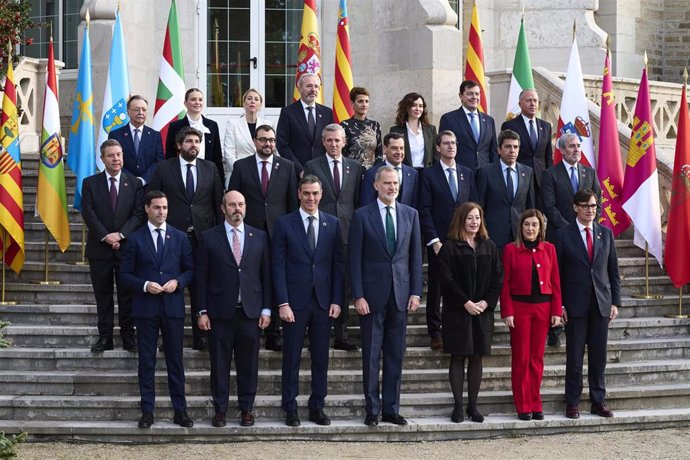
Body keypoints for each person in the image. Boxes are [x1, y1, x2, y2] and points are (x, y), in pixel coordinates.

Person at [349, 166, 423, 426]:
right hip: (371, 296)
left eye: (395, 183)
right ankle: (372, 409)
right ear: (376, 186)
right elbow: (354, 259)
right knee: (371, 355)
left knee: (395, 354)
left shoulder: (410, 214)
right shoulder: (361, 216)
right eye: (387, 183)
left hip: (401, 295)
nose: (392, 187)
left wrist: (416, 291)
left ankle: (391, 408)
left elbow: (415, 257)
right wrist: (357, 295)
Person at [272, 175, 345, 427]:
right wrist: (282, 302)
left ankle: (317, 406)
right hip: (294, 303)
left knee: (321, 358)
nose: (311, 198)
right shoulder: (284, 224)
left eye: (315, 193)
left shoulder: (333, 224)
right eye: (306, 193)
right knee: (291, 357)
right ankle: (290, 407)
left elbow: (338, 265)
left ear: (321, 194)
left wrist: (337, 300)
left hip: (323, 303)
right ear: (299, 195)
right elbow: (277, 267)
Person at [195, 190, 272, 428]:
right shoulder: (209, 237)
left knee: (248, 365)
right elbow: (201, 278)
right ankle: (220, 410)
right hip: (219, 313)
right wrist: (201, 311)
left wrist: (267, 309)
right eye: (232, 205)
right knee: (219, 364)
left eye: (240, 204)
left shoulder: (259, 236)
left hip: (250, 312)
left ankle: (246, 409)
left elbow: (266, 276)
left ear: (246, 207)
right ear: (223, 208)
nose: (236, 209)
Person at [119, 190, 195, 429]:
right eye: (157, 208)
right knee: (147, 362)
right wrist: (144, 285)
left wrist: (178, 282)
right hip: (146, 308)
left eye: (164, 207)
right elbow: (124, 275)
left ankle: (180, 411)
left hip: (172, 308)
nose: (161, 212)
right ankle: (147, 411)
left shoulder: (180, 237)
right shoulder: (135, 238)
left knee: (175, 361)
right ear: (147, 209)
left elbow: (190, 270)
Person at [148, 127, 224, 351]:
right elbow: (152, 197)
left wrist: (219, 235)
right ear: (179, 145)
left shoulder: (210, 168)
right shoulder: (164, 168)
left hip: (204, 237)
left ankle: (202, 335)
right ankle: (171, 337)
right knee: (172, 287)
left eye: (197, 141)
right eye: (189, 141)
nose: (194, 145)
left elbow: (217, 202)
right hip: (173, 236)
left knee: (202, 286)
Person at [228, 124, 299, 352]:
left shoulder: (287, 167)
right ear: (255, 141)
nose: (267, 144)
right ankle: (253, 327)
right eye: (262, 140)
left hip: (279, 233)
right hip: (249, 234)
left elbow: (291, 204)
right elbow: (233, 198)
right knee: (252, 279)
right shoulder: (241, 166)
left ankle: (274, 331)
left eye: (271, 140)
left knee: (276, 279)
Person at [555, 189, 620, 420]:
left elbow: (613, 271)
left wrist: (615, 302)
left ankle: (598, 401)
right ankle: (572, 402)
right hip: (575, 306)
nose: (590, 210)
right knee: (574, 357)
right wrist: (559, 305)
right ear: (575, 207)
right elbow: (557, 274)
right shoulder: (563, 235)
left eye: (593, 206)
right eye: (585, 206)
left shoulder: (606, 234)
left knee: (598, 357)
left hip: (601, 305)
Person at [437, 202, 502, 423]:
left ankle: (473, 406)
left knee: (476, 358)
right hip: (458, 311)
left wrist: (486, 302)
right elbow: (446, 280)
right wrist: (465, 302)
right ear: (461, 220)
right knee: (458, 356)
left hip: (482, 312)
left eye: (477, 218)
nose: (474, 222)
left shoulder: (489, 246)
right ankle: (457, 406)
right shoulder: (450, 247)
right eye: (470, 218)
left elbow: (497, 278)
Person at [81, 139, 144, 353]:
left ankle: (128, 336)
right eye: (111, 155)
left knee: (128, 295)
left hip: (126, 249)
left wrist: (121, 234)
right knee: (103, 295)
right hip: (100, 250)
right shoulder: (90, 183)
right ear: (102, 159)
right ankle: (105, 337)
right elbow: (88, 213)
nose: (116, 159)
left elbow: (138, 214)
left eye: (119, 154)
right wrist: (106, 236)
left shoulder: (134, 183)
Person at [303, 124, 362, 351]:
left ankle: (342, 334)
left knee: (342, 282)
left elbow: (356, 202)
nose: (333, 144)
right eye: (329, 140)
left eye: (337, 140)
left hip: (346, 233)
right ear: (323, 142)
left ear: (344, 141)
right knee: (317, 282)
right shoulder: (312, 166)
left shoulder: (355, 168)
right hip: (319, 233)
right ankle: (316, 334)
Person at [541, 132, 601, 347]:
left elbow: (598, 204)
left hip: (586, 238)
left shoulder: (590, 173)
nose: (577, 150)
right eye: (572, 146)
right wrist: (571, 229)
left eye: (578, 146)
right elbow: (549, 206)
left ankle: (577, 324)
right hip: (559, 236)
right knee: (557, 279)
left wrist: (585, 227)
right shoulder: (550, 174)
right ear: (562, 150)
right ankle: (554, 327)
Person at [500, 209, 562, 421]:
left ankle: (536, 402)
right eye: (527, 224)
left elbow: (555, 282)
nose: (530, 229)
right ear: (521, 227)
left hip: (543, 309)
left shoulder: (549, 249)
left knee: (537, 359)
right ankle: (523, 404)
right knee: (521, 358)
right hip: (519, 309)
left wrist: (556, 311)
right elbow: (505, 283)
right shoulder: (510, 249)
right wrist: (507, 311)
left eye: (534, 225)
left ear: (541, 228)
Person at [419, 130, 475, 350]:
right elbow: (424, 209)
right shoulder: (429, 174)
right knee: (436, 286)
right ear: (438, 148)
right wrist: (433, 239)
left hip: (463, 239)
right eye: (446, 143)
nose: (451, 147)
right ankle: (435, 330)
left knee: (462, 285)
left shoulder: (467, 173)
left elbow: (473, 206)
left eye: (454, 143)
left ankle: (458, 328)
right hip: (439, 241)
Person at [475, 129, 535, 252]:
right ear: (499, 149)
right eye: (508, 146)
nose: (512, 150)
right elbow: (479, 207)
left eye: (515, 147)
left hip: (520, 237)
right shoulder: (485, 172)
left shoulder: (527, 172)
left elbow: (530, 207)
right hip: (494, 238)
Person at [500, 89, 553, 207]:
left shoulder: (546, 126)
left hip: (541, 181)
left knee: (538, 218)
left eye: (535, 101)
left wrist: (549, 179)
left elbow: (548, 156)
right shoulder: (510, 125)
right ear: (520, 104)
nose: (533, 104)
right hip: (520, 179)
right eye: (528, 100)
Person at [276, 73, 334, 176]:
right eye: (309, 86)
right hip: (296, 172)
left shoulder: (327, 113)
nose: (313, 89)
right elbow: (282, 145)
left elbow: (331, 142)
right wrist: (299, 170)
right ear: (299, 88)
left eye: (316, 86)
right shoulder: (288, 112)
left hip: (322, 172)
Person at [165, 88, 225, 185]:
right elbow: (170, 154)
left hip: (207, 176)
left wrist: (221, 182)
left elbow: (217, 155)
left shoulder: (212, 125)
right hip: (183, 175)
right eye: (193, 99)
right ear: (185, 103)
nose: (197, 102)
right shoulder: (175, 126)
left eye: (200, 100)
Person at [439, 80, 498, 171]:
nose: (474, 97)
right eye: (470, 94)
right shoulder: (449, 119)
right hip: (461, 173)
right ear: (461, 96)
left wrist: (495, 171)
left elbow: (493, 150)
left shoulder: (489, 120)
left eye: (477, 94)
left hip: (485, 173)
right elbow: (443, 148)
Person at [108, 95, 164, 186]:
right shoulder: (115, 135)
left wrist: (144, 179)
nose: (141, 112)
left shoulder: (155, 135)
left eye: (144, 110)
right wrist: (131, 179)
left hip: (149, 186)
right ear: (128, 112)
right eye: (137, 109)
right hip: (123, 185)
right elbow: (113, 160)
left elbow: (159, 161)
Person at [223, 88, 273, 183]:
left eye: (256, 99)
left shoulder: (269, 125)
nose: (252, 101)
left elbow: (273, 151)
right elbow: (229, 153)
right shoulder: (233, 124)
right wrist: (242, 172)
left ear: (260, 105)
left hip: (263, 175)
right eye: (249, 98)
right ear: (243, 103)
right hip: (239, 175)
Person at [361, 132, 419, 208]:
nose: (399, 152)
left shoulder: (413, 174)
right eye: (394, 148)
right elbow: (367, 204)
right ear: (385, 149)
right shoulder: (372, 173)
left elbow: (415, 203)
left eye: (401, 148)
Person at [389, 92, 437, 170]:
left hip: (427, 174)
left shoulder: (431, 130)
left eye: (420, 106)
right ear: (407, 107)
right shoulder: (396, 130)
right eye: (414, 105)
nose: (418, 109)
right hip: (406, 173)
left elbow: (436, 155)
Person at [340, 86, 382, 169]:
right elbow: (342, 152)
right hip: (351, 171)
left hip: (371, 173)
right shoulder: (345, 125)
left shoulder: (375, 125)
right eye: (360, 101)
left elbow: (379, 153)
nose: (364, 104)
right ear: (352, 104)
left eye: (367, 101)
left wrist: (375, 172)